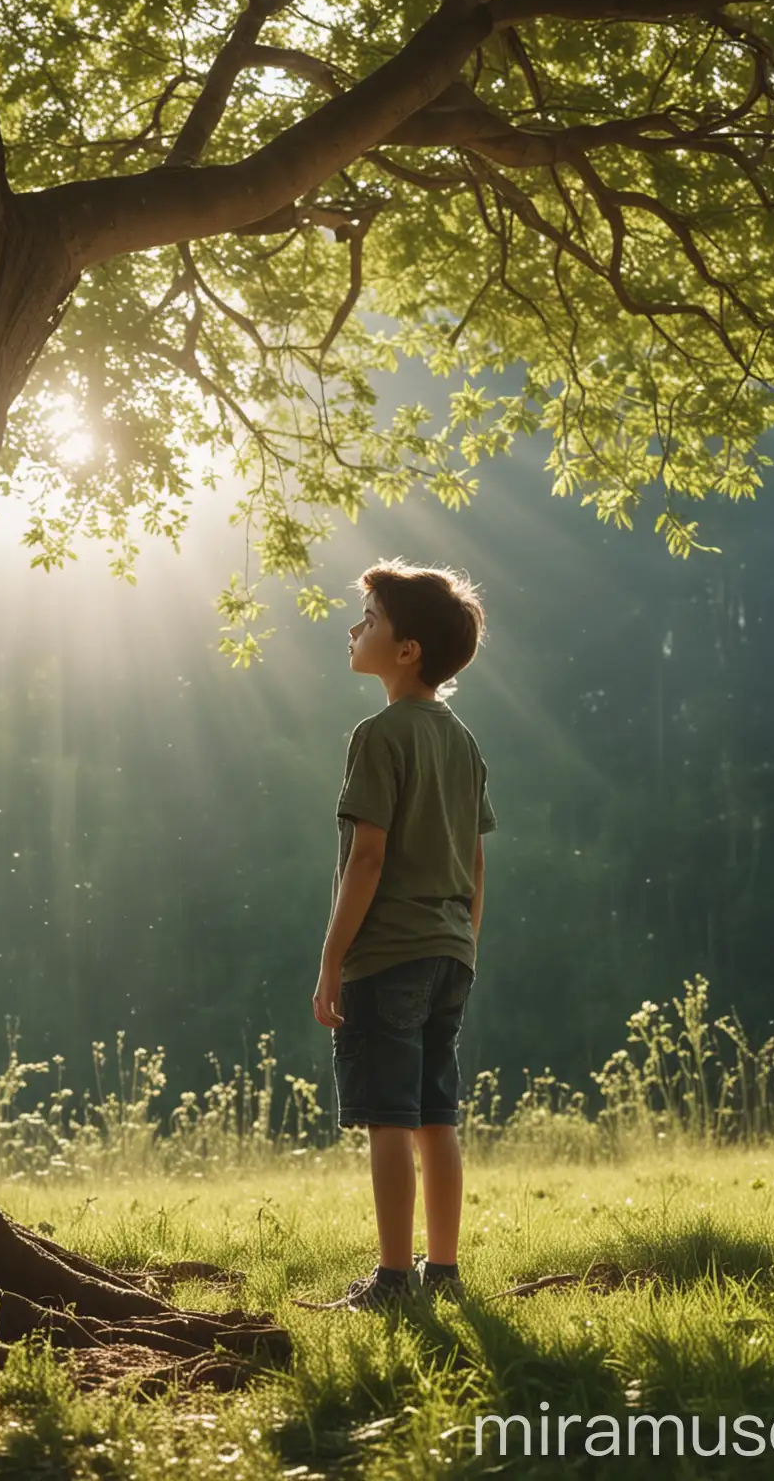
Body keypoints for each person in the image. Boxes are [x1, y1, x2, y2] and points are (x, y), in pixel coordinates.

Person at [301, 557, 495, 1312]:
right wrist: (465, 943)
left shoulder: (378, 735)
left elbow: (369, 856)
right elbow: (475, 859)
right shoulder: (463, 741)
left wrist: (331, 960)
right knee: (435, 1116)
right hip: (450, 952)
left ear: (407, 649)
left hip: (389, 955)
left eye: (372, 620)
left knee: (388, 1116)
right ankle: (441, 1273)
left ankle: (390, 1280)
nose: (356, 629)